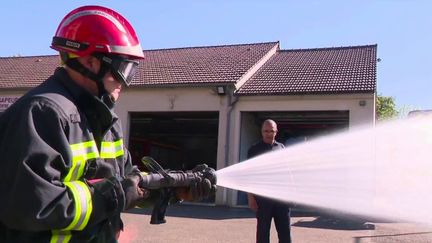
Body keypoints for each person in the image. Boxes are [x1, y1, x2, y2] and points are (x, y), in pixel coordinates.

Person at [0, 5, 215, 243]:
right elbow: (31, 205)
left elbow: (126, 181)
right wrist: (114, 194)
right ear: (91, 62)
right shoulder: (42, 114)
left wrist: (173, 188)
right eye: (123, 69)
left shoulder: (105, 121)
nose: (126, 81)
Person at [247, 119, 291, 243]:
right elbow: (248, 175)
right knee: (262, 233)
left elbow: (287, 172)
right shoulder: (254, 150)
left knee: (285, 233)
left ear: (276, 132)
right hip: (262, 199)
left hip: (281, 198)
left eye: (271, 131)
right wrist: (251, 198)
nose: (268, 133)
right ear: (261, 132)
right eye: (266, 131)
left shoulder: (281, 148)